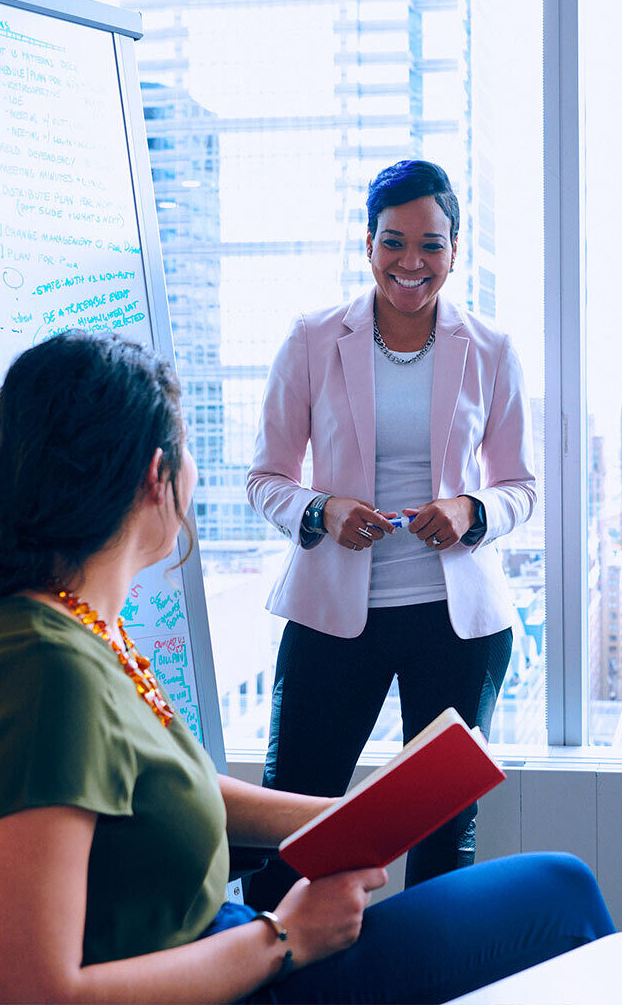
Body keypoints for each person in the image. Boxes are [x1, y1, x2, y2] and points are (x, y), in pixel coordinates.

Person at [0, 332, 611, 1004]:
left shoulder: (64, 627)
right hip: (247, 974)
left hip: (233, 952)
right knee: (564, 894)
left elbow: (164, 783)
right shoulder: (42, 675)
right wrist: (285, 938)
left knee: (551, 890)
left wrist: (349, 819)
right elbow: (29, 993)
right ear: (158, 477)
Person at [244, 160, 534, 909]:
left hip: (457, 626)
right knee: (293, 837)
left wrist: (472, 509)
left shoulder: (491, 348)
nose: (412, 263)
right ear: (367, 243)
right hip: (333, 619)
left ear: (456, 249)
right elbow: (266, 477)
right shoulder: (312, 340)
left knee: (442, 840)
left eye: (431, 245)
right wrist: (322, 511)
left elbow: (521, 487)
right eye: (394, 242)